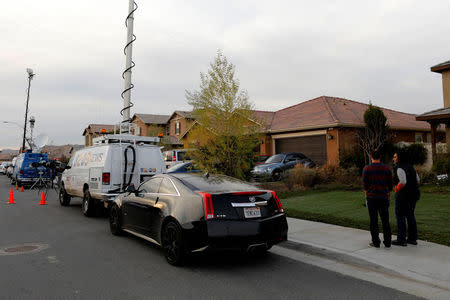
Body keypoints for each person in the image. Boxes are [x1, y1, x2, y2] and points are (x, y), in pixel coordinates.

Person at [362, 150, 393, 248]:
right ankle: (387, 242)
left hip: (372, 198)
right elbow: (390, 185)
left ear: (371, 156)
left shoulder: (367, 169)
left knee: (373, 220)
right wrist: (388, 195)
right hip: (383, 197)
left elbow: (365, 185)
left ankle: (376, 242)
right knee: (385, 220)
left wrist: (366, 194)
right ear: (380, 156)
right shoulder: (386, 168)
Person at [392, 152, 420, 246]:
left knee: (400, 216)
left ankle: (401, 239)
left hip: (403, 196)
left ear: (399, 158)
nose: (394, 158)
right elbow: (418, 180)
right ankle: (412, 238)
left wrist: (396, 189)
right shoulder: (411, 166)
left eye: (395, 157)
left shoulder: (400, 168)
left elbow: (403, 182)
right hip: (414, 195)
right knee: (410, 215)